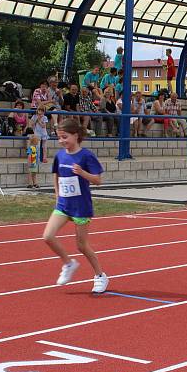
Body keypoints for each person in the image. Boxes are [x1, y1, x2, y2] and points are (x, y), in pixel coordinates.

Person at [43, 118, 108, 294]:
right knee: (48, 236)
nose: (61, 141)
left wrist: (82, 172)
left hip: (81, 207)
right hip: (64, 205)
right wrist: (57, 194)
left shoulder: (86, 156)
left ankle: (100, 275)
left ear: (76, 135)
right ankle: (68, 263)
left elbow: (98, 180)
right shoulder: (60, 155)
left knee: (82, 245)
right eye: (59, 138)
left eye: (65, 137)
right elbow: (56, 175)